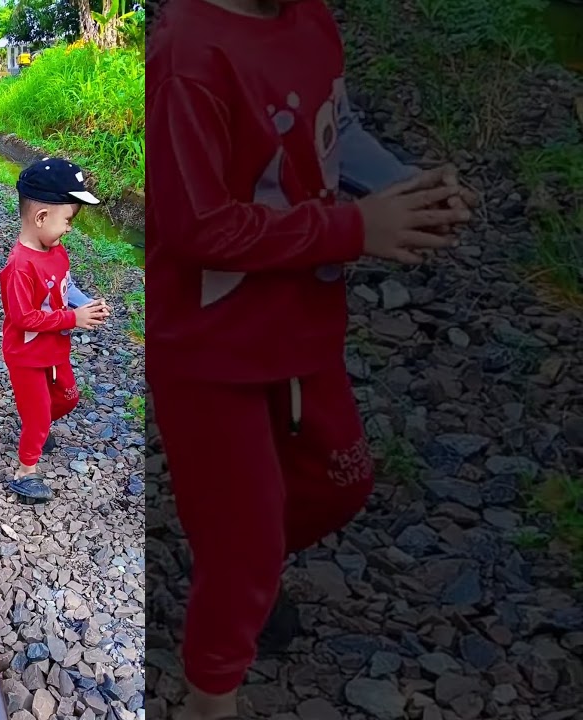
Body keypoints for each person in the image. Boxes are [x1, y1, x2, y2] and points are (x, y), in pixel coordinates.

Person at [147, 1, 478, 718]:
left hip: (300, 322)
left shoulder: (309, 19)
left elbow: (338, 125)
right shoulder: (189, 55)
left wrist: (404, 189)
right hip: (212, 348)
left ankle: (241, 562)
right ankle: (209, 694)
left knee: (341, 482)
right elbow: (195, 225)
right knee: (244, 549)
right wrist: (357, 228)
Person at [0, 157, 110, 502]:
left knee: (67, 397)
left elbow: (66, 285)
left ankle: (36, 421)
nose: (69, 228)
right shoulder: (20, 267)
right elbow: (23, 319)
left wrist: (84, 303)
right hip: (27, 355)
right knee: (39, 415)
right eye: (68, 220)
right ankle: (25, 471)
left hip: (53, 349)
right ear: (41, 217)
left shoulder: (55, 250)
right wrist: (71, 321)